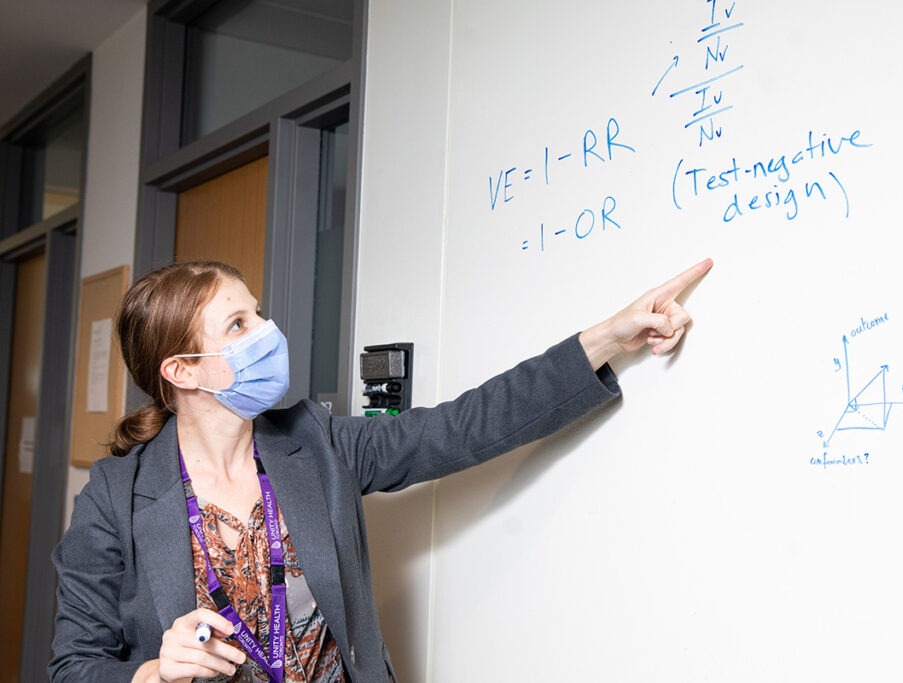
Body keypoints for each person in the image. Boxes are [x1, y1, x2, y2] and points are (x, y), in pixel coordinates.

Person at [49, 257, 713, 683]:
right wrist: (150, 674)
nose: (267, 331)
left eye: (260, 312)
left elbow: (467, 424)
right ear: (183, 370)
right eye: (240, 323)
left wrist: (606, 338)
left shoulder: (315, 443)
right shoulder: (115, 499)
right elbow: (74, 665)